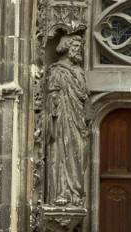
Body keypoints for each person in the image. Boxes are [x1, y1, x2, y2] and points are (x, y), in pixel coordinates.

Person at [46, 35, 88, 206]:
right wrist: (54, 108)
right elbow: (52, 95)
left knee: (79, 150)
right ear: (66, 47)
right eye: (75, 46)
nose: (78, 49)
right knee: (64, 150)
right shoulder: (57, 70)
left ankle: (75, 193)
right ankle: (63, 192)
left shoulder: (79, 71)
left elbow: (84, 94)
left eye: (79, 46)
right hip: (64, 118)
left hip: (78, 118)